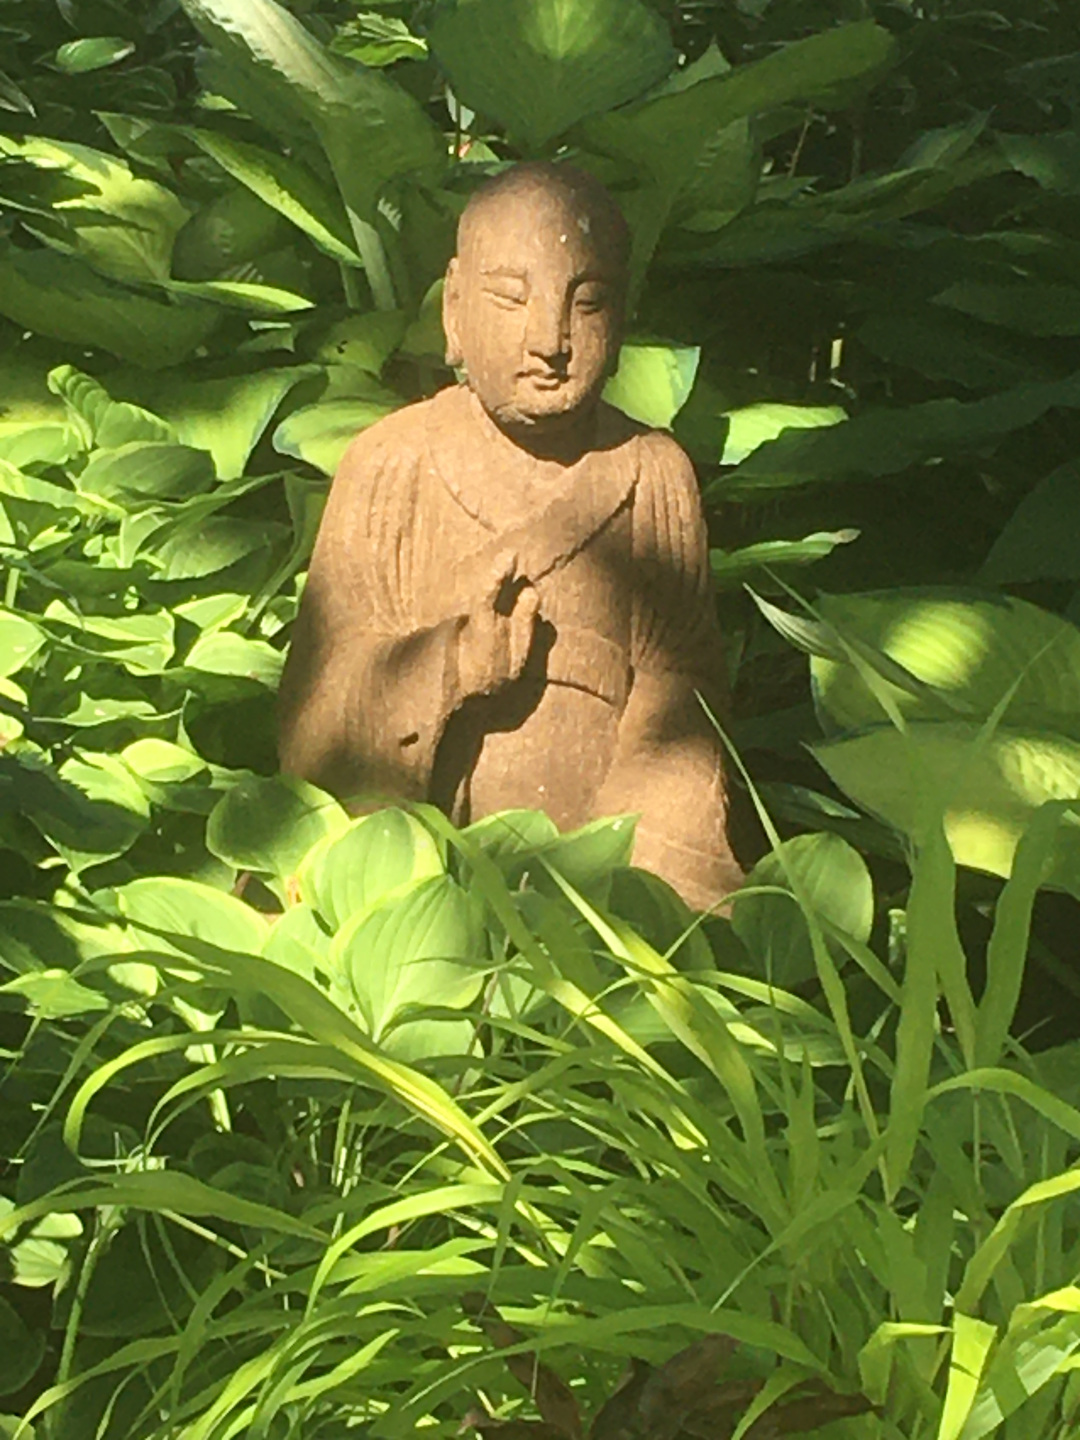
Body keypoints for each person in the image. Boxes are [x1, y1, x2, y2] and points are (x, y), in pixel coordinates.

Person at [277, 162, 742, 911]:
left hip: (600, 873)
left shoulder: (652, 476)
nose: (551, 339)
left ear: (621, 320)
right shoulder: (392, 464)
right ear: (455, 311)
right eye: (510, 298)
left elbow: (685, 704)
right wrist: (447, 664)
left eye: (587, 303)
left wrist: (621, 872)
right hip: (412, 880)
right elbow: (312, 729)